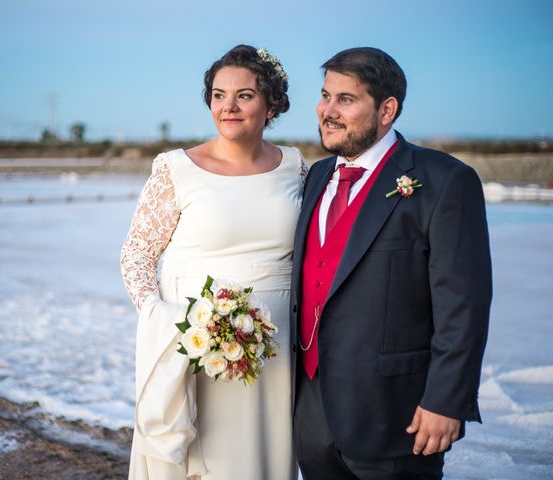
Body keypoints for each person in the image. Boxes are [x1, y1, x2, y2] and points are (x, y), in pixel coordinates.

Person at [290, 47, 492, 479]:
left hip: (397, 415)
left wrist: (446, 400)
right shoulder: (317, 178)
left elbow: (464, 303)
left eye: (346, 99)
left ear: (387, 110)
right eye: (325, 96)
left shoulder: (444, 180)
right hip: (312, 415)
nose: (327, 111)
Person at [121, 44, 306, 480]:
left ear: (271, 104)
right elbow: (137, 257)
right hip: (197, 348)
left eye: (244, 95)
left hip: (276, 354)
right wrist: (169, 323)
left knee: (264, 457)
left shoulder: (296, 166)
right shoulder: (176, 169)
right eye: (219, 95)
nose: (229, 106)